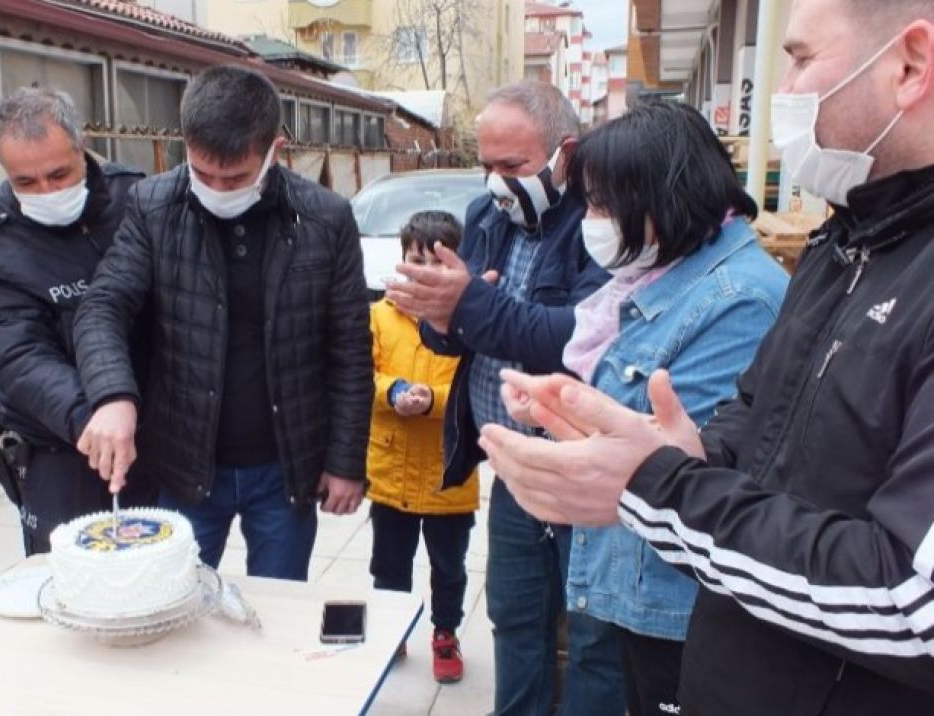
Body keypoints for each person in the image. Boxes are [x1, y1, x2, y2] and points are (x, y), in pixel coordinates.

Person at [481, 1, 934, 713]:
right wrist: (668, 448)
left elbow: (913, 604)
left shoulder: (761, 284)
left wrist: (656, 483)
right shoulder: (844, 245)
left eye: (803, 58)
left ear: (909, 65)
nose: (781, 92)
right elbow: (759, 419)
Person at [502, 99, 787, 716]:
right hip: (629, 576)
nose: (592, 221)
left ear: (664, 198)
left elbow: (685, 464)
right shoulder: (657, 276)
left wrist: (564, 419)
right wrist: (555, 408)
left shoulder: (738, 300)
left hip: (671, 601)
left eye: (605, 204)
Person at [73, 65, 371, 581]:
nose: (215, 188)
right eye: (201, 172)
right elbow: (103, 305)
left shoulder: (326, 218)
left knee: (276, 613)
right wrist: (111, 395)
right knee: (171, 599)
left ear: (275, 149)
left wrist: (346, 461)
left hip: (285, 468)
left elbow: (349, 349)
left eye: (233, 178)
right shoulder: (153, 207)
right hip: (185, 463)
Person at [386, 81, 623, 716]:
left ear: (564, 155)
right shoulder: (485, 216)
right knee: (515, 619)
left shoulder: (600, 223)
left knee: (594, 635)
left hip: (583, 469)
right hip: (514, 464)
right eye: (486, 165)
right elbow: (460, 338)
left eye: (512, 166)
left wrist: (468, 306)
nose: (496, 181)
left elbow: (573, 341)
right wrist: (441, 319)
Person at [0, 87, 154, 554]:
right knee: (69, 583)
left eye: (60, 173)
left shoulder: (136, 199)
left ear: (83, 146)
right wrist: (95, 418)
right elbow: (21, 359)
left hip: (151, 431)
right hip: (62, 448)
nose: (47, 190)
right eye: (26, 182)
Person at [368, 211, 480, 684]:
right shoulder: (379, 316)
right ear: (402, 260)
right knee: (389, 564)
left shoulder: (471, 323)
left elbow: (472, 390)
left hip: (447, 471)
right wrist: (392, 392)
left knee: (448, 566)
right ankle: (392, 632)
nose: (424, 272)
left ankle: (445, 632)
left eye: (436, 263)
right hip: (390, 469)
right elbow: (360, 374)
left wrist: (431, 400)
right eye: (416, 260)